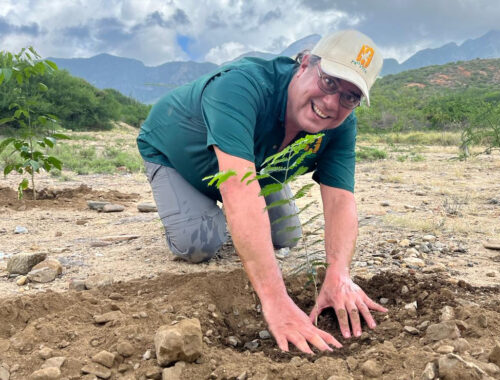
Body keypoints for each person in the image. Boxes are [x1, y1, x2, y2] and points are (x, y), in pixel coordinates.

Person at [137, 29, 388, 354]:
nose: (331, 103)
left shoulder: (340, 126)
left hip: (251, 165)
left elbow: (341, 199)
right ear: (305, 64)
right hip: (176, 156)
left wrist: (338, 274)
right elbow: (240, 190)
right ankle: (198, 211)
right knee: (198, 244)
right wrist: (276, 302)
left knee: (285, 234)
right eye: (329, 82)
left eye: (349, 97)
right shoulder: (241, 85)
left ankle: (241, 225)